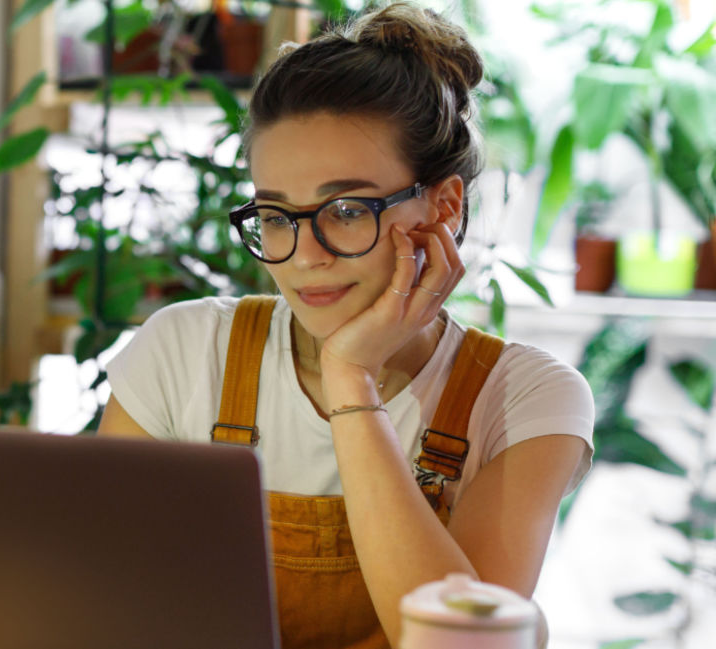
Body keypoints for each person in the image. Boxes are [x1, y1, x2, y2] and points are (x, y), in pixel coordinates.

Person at [97, 3, 594, 648]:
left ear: (443, 206)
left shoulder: (524, 398)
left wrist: (351, 378)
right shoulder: (185, 350)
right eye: (277, 216)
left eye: (347, 209)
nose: (305, 254)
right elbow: (99, 600)